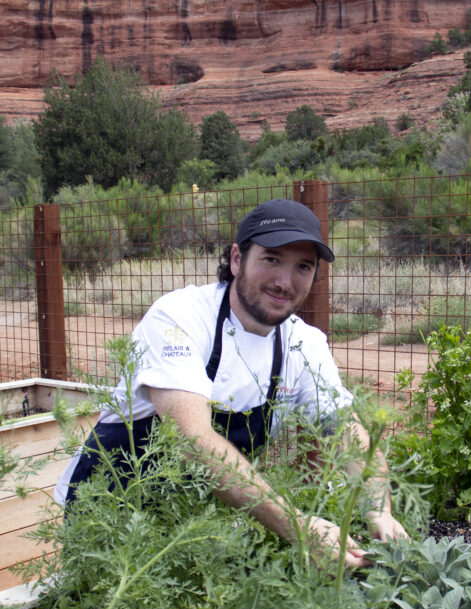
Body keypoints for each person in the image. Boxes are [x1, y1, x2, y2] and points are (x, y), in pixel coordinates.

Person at [55, 199, 407, 567]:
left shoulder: (305, 343)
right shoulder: (181, 317)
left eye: (303, 267)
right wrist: (299, 526)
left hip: (198, 528)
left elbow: (345, 428)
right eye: (271, 259)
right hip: (109, 519)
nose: (285, 282)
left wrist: (378, 509)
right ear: (237, 259)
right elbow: (192, 441)